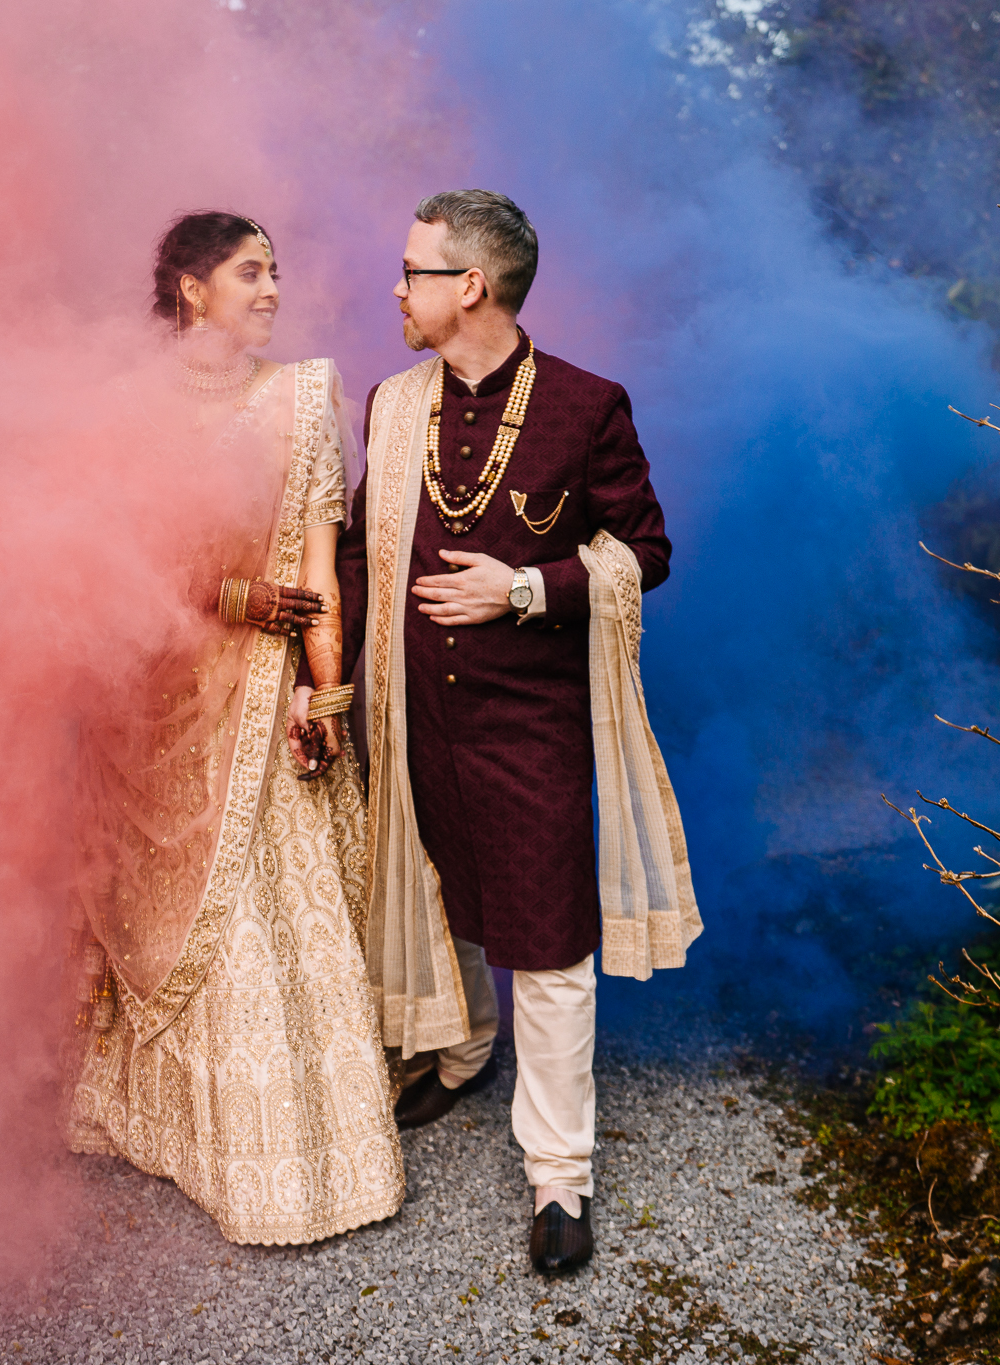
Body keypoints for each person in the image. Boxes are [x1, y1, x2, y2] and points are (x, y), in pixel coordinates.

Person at [340, 190, 700, 1273]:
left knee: (545, 943)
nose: (395, 289)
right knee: (434, 892)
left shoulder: (587, 406)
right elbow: (362, 548)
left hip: (529, 722)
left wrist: (527, 590)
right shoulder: (390, 403)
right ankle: (459, 1054)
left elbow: (645, 550)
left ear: (470, 287)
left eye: (412, 270)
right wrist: (315, 675)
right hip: (410, 713)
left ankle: (558, 1178)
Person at [65, 211, 404, 1245]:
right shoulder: (120, 411)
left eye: (274, 274)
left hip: (262, 696)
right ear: (187, 291)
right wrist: (225, 593)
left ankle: (296, 1168)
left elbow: (316, 563)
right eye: (248, 273)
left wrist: (323, 690)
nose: (269, 291)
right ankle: (157, 1127)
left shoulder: (303, 395)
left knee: (269, 906)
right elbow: (96, 557)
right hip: (154, 696)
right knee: (157, 903)